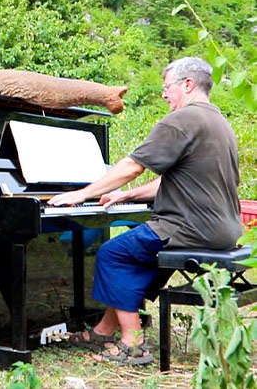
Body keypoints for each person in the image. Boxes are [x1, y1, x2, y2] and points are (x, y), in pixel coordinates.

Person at [47, 56, 242, 366]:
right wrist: (124, 195)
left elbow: (132, 166)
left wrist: (81, 194)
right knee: (137, 257)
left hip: (188, 228)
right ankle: (102, 331)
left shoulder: (183, 120)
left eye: (167, 87)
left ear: (187, 84)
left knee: (113, 254)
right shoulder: (217, 121)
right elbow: (169, 180)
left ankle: (133, 344)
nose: (164, 95)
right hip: (223, 230)